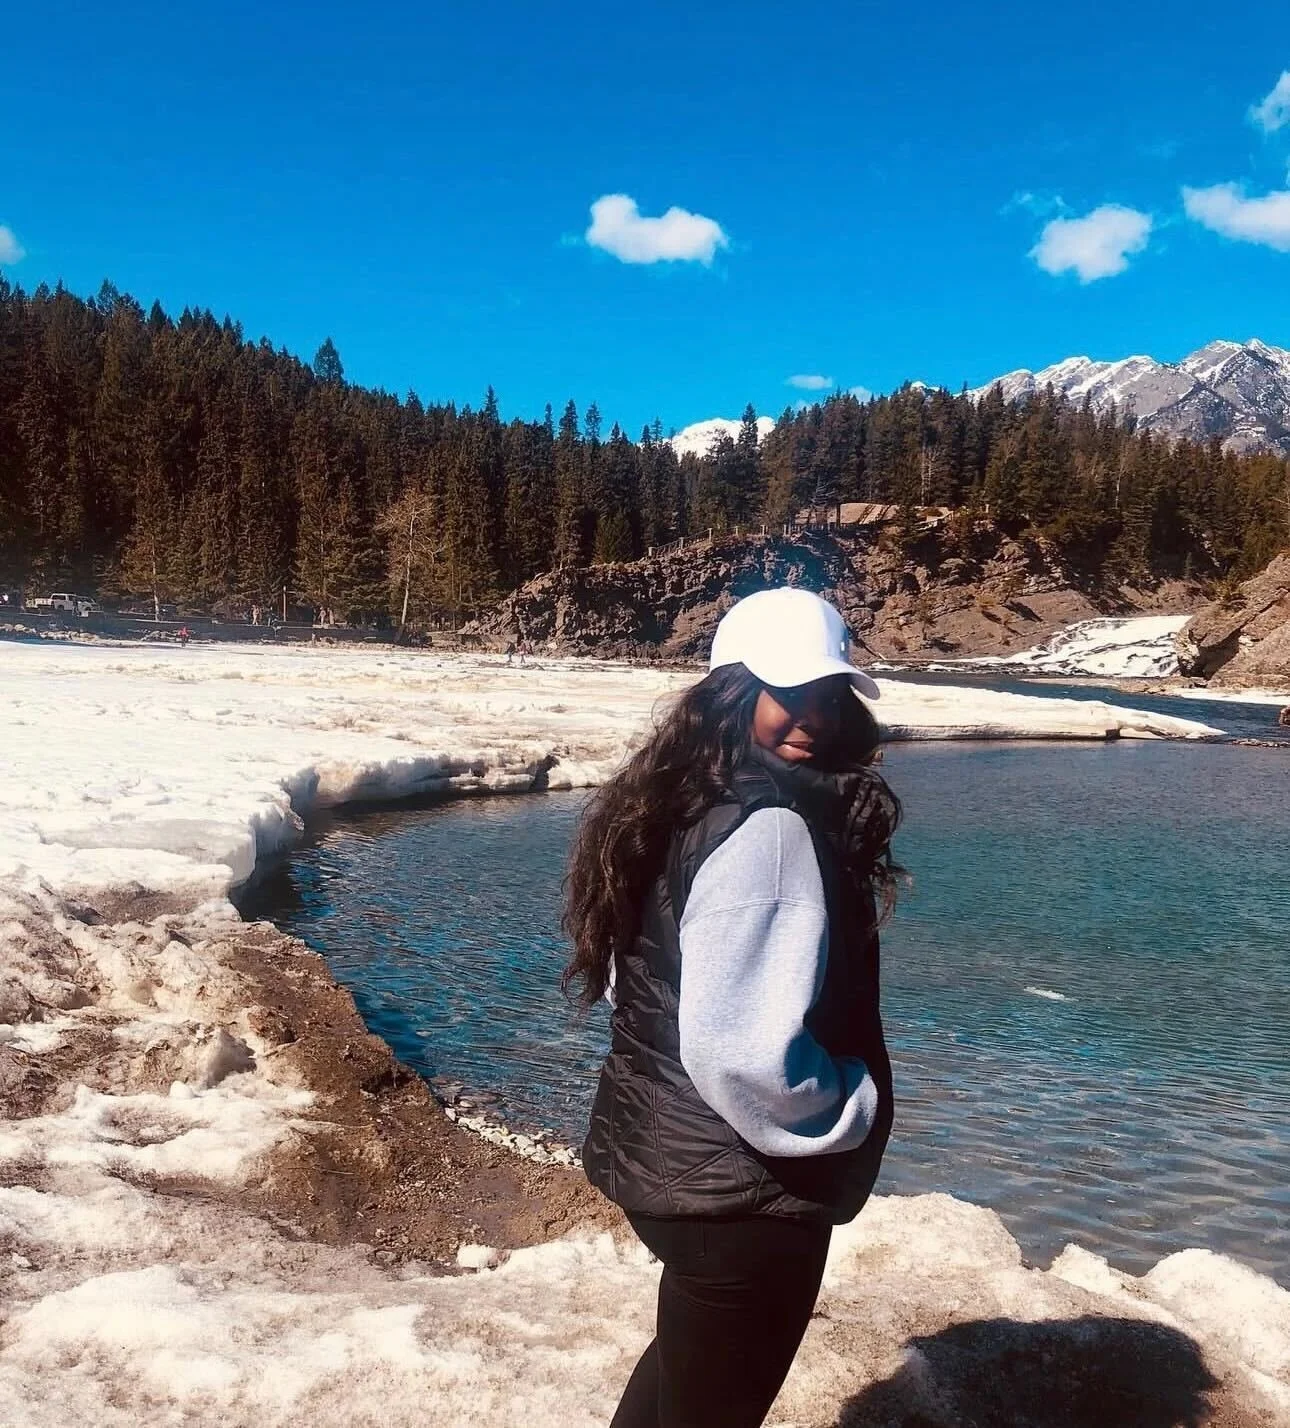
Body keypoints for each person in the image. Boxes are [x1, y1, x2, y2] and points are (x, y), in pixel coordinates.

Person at [563, 586, 901, 1428]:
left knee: (681, 1384)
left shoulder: (674, 798)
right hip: (744, 1192)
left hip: (668, 1155)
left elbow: (641, 978)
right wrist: (846, 1104)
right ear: (732, 689)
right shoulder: (771, 829)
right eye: (789, 691)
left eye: (830, 693)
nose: (814, 716)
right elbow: (743, 1054)